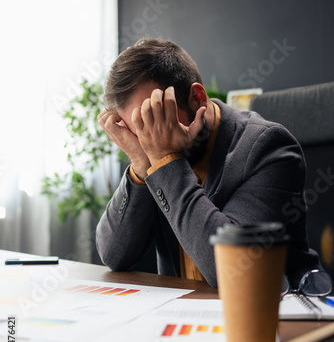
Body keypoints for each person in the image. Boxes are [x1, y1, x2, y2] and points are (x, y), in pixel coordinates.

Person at [96, 37, 321, 289]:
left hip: (276, 315)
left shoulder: (268, 148)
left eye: (154, 118)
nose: (146, 138)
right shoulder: (149, 155)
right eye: (135, 127)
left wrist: (164, 161)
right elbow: (113, 256)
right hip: (186, 316)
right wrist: (140, 164)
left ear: (198, 98)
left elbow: (233, 271)